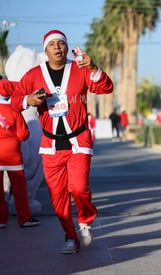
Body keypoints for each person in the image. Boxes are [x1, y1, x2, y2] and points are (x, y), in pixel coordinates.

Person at [11, 30, 113, 254]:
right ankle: (70, 237)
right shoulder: (33, 75)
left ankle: (85, 220)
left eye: (61, 44)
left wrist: (94, 68)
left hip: (78, 140)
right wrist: (28, 99)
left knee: (78, 188)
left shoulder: (80, 69)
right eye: (52, 45)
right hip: (51, 145)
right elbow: (15, 100)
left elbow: (106, 87)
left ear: (67, 48)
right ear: (45, 50)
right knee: (57, 198)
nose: (57, 47)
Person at [0, 80, 40, 229]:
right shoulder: (14, 109)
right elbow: (23, 134)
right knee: (20, 189)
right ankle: (24, 218)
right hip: (14, 157)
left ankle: (1, 220)